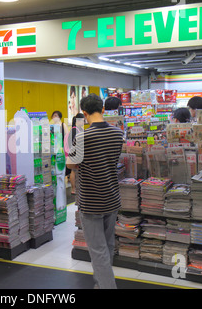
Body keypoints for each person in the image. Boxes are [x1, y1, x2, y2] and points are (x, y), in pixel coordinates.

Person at [66, 93, 124, 289]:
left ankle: (107, 286)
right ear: (103, 110)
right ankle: (101, 284)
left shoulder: (83, 137)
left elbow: (71, 164)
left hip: (91, 201)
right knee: (108, 245)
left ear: (84, 113)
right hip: (112, 197)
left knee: (97, 250)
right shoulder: (118, 133)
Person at [64, 113, 85, 195]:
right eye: (83, 121)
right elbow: (73, 143)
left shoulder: (79, 129)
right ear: (78, 121)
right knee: (73, 171)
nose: (83, 122)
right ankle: (73, 189)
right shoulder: (74, 130)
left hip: (78, 153)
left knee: (76, 171)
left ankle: (76, 188)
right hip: (74, 154)